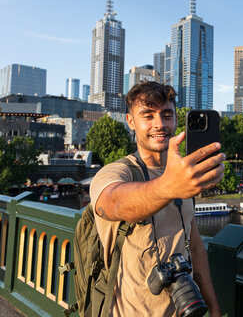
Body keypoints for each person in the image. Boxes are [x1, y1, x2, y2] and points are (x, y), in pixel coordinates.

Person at [89, 81, 224, 316]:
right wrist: (168, 186)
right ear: (131, 121)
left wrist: (213, 305)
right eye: (148, 116)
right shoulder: (117, 172)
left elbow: (195, 246)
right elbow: (112, 202)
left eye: (167, 115)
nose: (159, 124)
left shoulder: (184, 176)